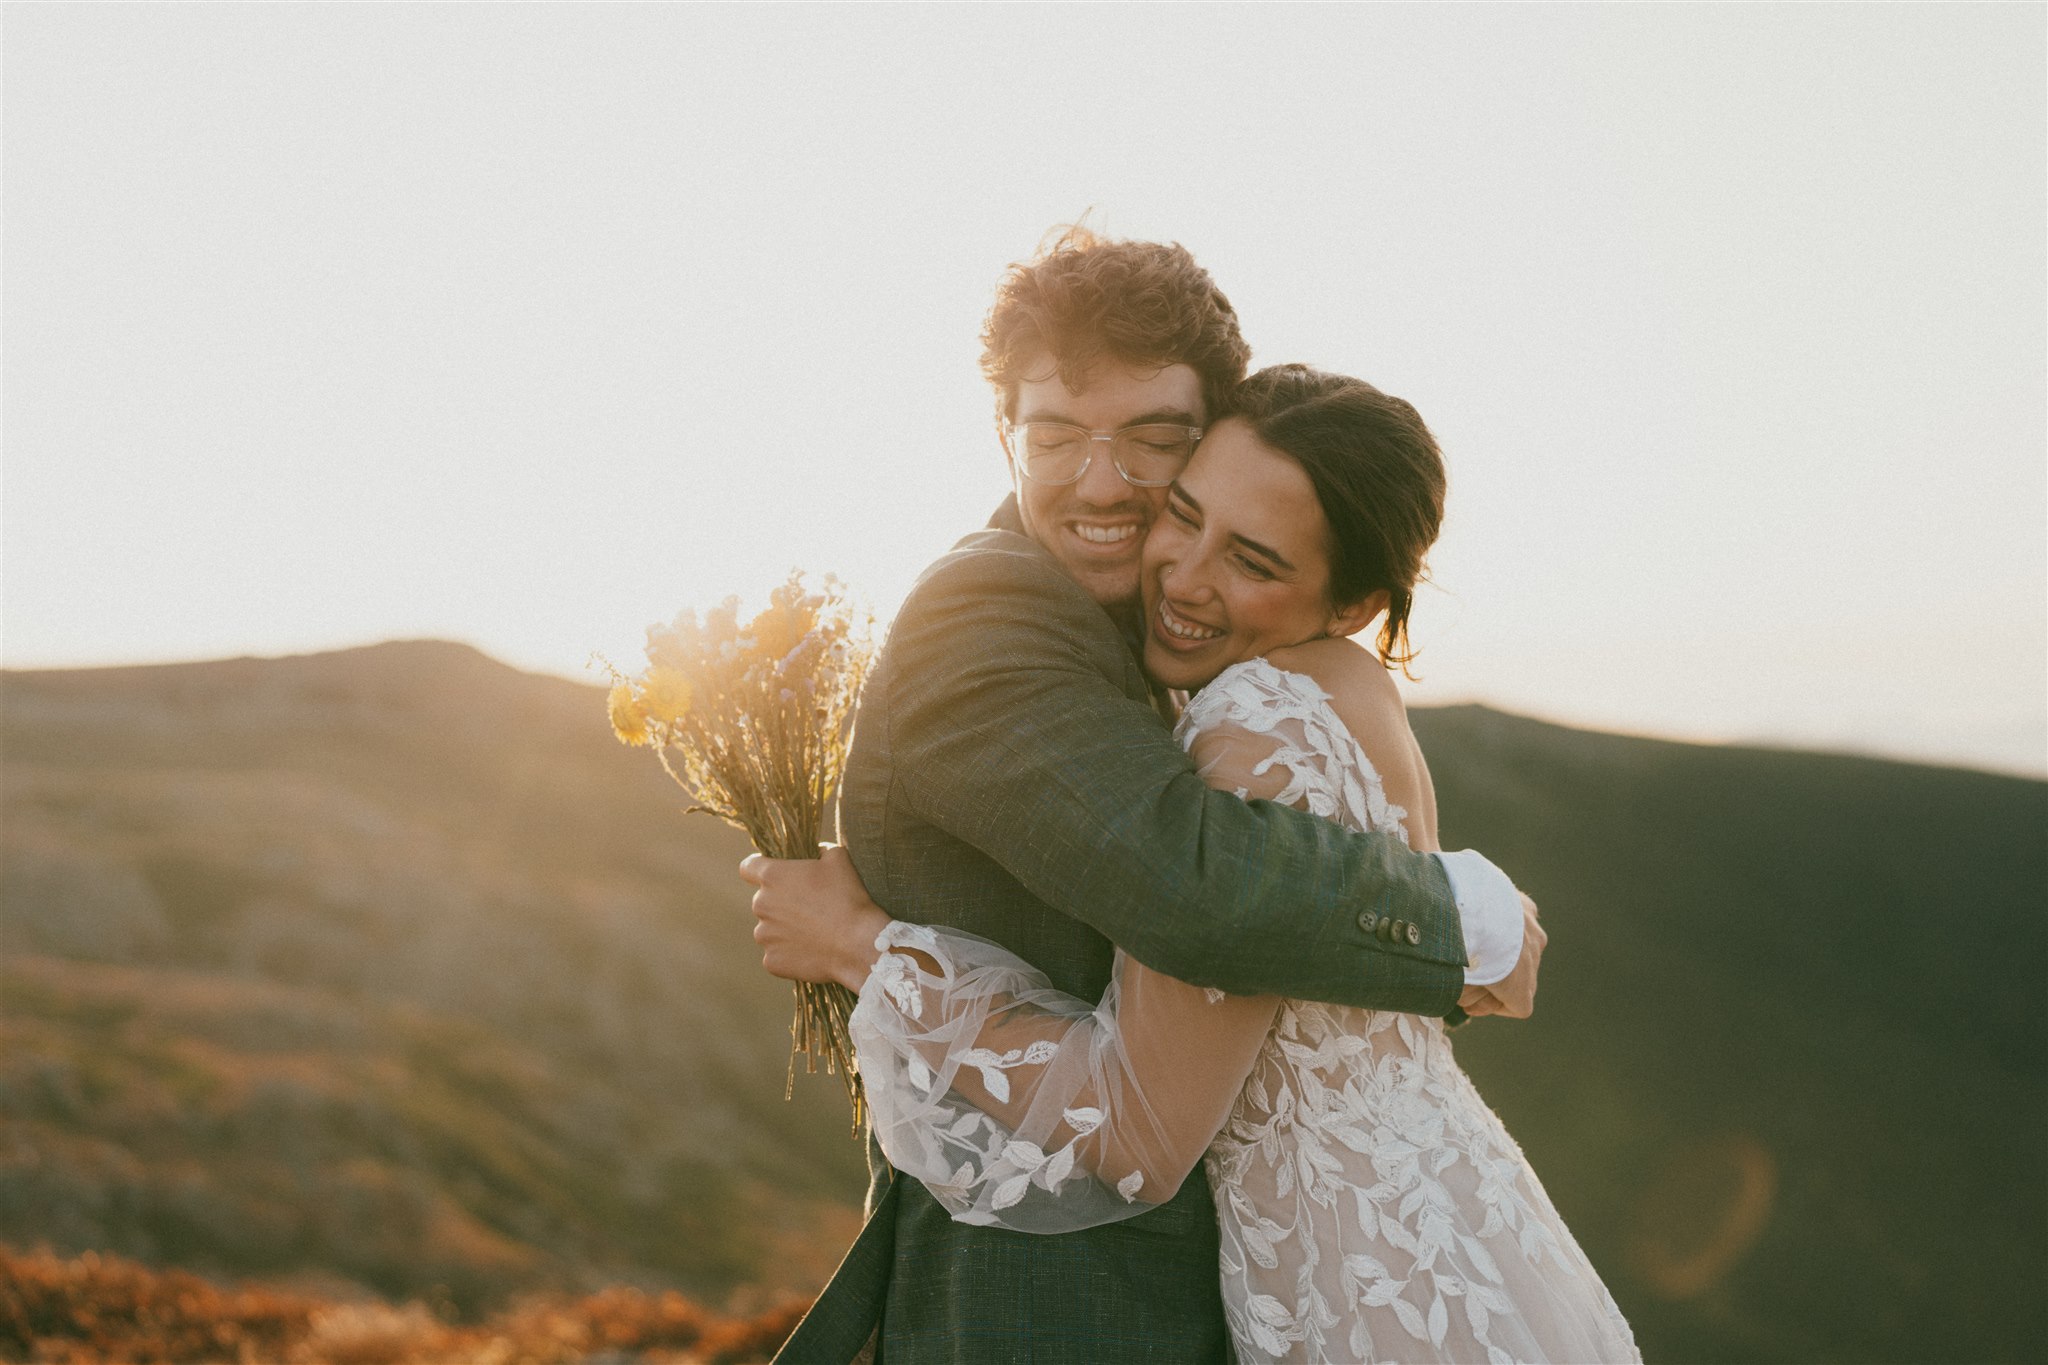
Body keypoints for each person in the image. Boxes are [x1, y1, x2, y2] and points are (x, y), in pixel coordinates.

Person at [743, 229, 1542, 1364]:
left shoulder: (1239, 661)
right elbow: (1190, 884)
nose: (1104, 483)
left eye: (1152, 441)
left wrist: (861, 944)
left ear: (1210, 434)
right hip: (1048, 1295)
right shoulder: (982, 629)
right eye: (1055, 436)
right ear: (1003, 433)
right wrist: (1458, 924)